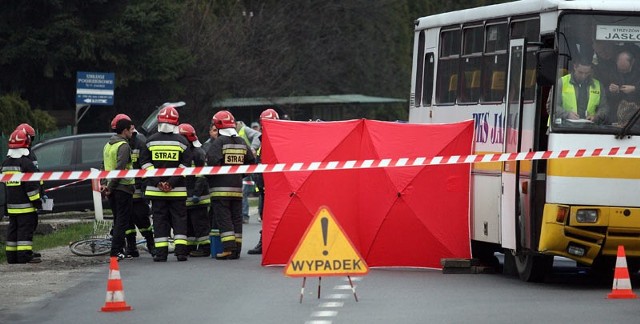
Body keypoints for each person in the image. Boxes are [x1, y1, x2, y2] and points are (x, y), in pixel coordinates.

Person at [139, 106, 192, 262]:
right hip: (178, 191)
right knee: (180, 221)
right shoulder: (183, 142)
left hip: (156, 191)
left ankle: (161, 254)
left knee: (160, 221)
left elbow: (145, 164)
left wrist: (158, 183)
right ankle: (181, 253)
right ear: (176, 122)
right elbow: (185, 166)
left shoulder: (149, 141)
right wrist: (171, 183)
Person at [206, 110, 256, 259]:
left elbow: (212, 162)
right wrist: (239, 175)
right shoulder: (241, 141)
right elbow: (251, 162)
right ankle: (236, 249)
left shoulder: (219, 142)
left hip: (220, 189)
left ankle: (228, 248)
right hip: (237, 188)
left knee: (224, 218)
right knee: (236, 218)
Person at [109, 114, 155, 257]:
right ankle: (131, 247)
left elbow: (146, 166)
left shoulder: (140, 143)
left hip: (136, 188)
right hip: (123, 189)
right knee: (126, 222)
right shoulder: (118, 144)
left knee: (142, 219)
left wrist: (144, 189)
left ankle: (151, 244)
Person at [2, 129, 42, 263]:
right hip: (26, 207)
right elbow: (31, 186)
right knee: (25, 231)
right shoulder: (26, 163)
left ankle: (11, 257)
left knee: (12, 231)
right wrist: (37, 201)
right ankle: (24, 256)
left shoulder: (5, 163)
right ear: (26, 142)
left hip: (12, 206)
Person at [101, 117, 136, 261]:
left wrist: (104, 184)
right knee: (122, 221)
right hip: (122, 188)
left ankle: (119, 249)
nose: (132, 132)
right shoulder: (123, 146)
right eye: (130, 129)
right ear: (124, 130)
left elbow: (103, 166)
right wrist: (110, 187)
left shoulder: (108, 145)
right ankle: (116, 251)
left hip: (112, 188)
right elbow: (120, 169)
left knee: (117, 220)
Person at [248, 108, 279, 255]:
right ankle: (265, 242)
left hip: (276, 188)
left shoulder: (280, 141)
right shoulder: (262, 142)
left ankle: (273, 243)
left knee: (274, 216)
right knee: (264, 215)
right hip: (263, 186)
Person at [178, 123, 211, 257]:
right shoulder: (185, 152)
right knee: (189, 224)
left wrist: (196, 194)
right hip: (188, 195)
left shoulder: (198, 153)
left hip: (198, 196)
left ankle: (205, 248)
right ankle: (189, 247)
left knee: (200, 225)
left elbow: (201, 177)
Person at [547, 58, 609, 125]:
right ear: (574, 67)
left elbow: (604, 107)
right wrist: (567, 114)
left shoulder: (598, 85)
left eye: (587, 73)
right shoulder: (561, 83)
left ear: (591, 70)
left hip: (590, 127)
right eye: (580, 72)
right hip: (562, 127)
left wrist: (596, 117)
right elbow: (551, 106)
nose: (583, 76)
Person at [235, 120, 261, 224]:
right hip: (243, 165)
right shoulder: (232, 133)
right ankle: (244, 216)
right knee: (243, 191)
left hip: (252, 164)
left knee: (259, 189)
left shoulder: (244, 129)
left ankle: (260, 214)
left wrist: (253, 148)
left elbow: (258, 135)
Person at [201, 123, 220, 255]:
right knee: (209, 216)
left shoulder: (222, 144)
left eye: (218, 130)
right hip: (208, 186)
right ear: (209, 132)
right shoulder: (205, 147)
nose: (216, 133)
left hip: (220, 184)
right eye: (214, 130)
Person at [606, 50, 640, 123]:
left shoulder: (638, 71)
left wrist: (635, 88)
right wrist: (612, 90)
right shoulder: (611, 71)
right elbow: (603, 92)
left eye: (625, 70)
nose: (622, 72)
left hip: (636, 113)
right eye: (620, 70)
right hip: (616, 113)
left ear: (632, 62)